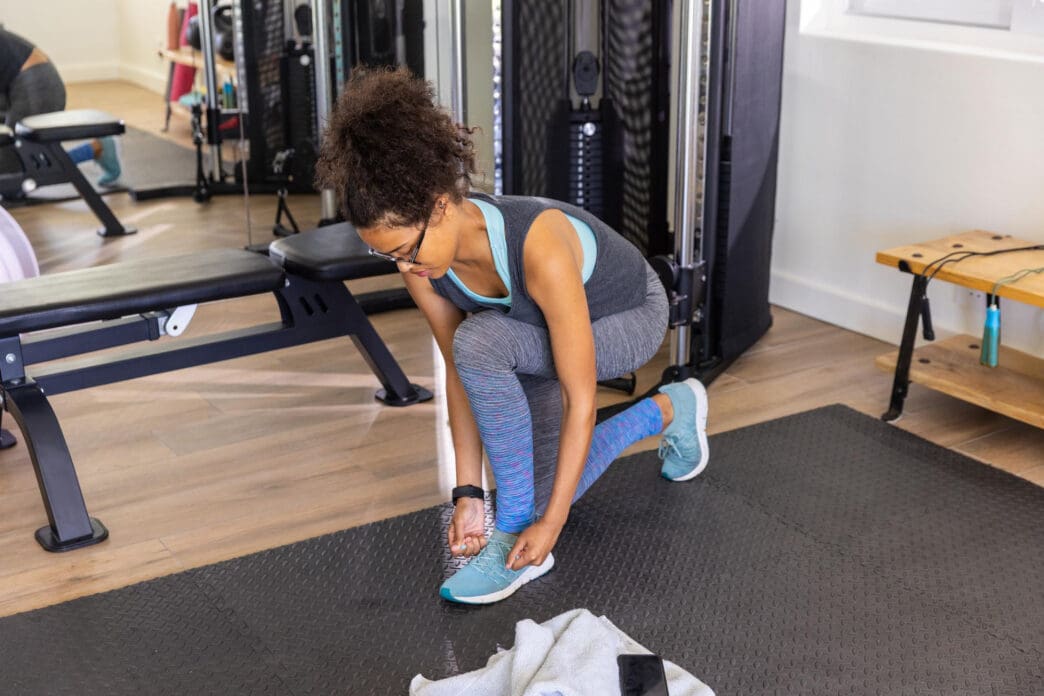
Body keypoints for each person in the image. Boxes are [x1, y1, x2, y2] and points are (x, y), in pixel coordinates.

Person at [316, 66, 710, 605]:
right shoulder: (418, 264)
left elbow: (580, 395)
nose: (403, 264)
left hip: (628, 314)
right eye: (387, 254)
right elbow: (458, 370)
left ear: (439, 203)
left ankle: (515, 548)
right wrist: (469, 492)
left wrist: (552, 525)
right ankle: (671, 408)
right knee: (485, 370)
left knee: (488, 357)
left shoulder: (538, 244)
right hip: (532, 336)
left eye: (407, 248)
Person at [0, 26, 121, 192]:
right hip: (13, 89)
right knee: (12, 176)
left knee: (12, 180)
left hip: (37, 84)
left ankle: (96, 148)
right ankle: (94, 149)